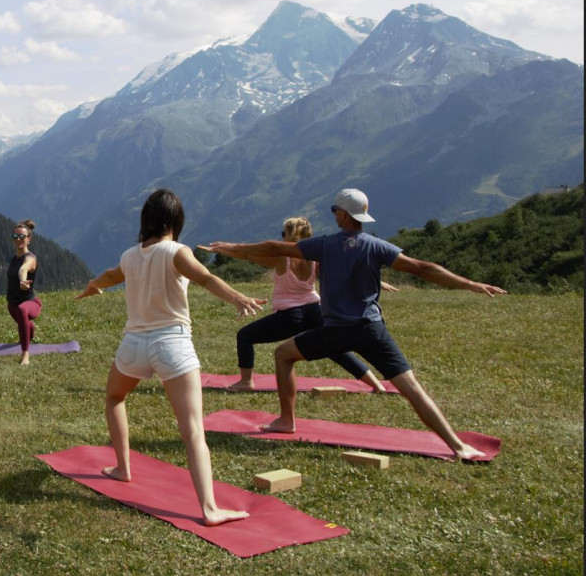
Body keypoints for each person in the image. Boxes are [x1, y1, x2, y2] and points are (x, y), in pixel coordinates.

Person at [205, 188, 506, 461]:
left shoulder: (324, 245)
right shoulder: (377, 247)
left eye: (335, 210)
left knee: (283, 355)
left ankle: (286, 420)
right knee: (412, 388)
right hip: (372, 330)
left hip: (337, 331)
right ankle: (457, 445)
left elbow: (275, 248)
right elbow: (423, 268)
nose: (334, 214)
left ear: (345, 215)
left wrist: (233, 246)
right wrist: (470, 284)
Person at [76, 189, 264, 526]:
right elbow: (205, 277)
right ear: (176, 221)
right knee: (192, 429)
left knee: (115, 397)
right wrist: (237, 297)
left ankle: (122, 467)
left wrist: (92, 285)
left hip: (133, 345)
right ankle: (209, 509)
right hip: (172, 345)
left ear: (145, 220)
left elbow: (108, 276)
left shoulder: (130, 255)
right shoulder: (176, 252)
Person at [200, 216, 387, 394]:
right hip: (316, 311)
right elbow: (344, 274)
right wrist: (376, 282)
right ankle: (376, 384)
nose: (282, 236)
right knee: (337, 350)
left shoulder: (282, 257)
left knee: (245, 336)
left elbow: (248, 255)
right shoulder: (316, 258)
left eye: (283, 234)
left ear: (289, 235)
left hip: (290, 316)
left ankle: (246, 381)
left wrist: (219, 249)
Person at [6, 220, 40, 365]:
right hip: (12, 304)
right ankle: (30, 328)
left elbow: (23, 269)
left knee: (23, 310)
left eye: (22, 236)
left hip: (31, 303)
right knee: (24, 320)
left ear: (29, 239)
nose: (18, 239)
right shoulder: (14, 259)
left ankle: (25, 355)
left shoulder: (30, 258)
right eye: (15, 236)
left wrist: (22, 281)